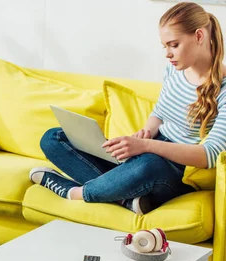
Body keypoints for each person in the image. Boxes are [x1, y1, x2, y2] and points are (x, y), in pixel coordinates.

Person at [30, 2, 226, 215]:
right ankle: (125, 198)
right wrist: (148, 131)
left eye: (174, 45)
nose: (168, 54)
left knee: (148, 165)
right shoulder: (174, 70)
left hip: (172, 170)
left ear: (199, 36)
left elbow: (208, 156)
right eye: (165, 46)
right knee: (54, 137)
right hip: (146, 153)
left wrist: (146, 145)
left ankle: (74, 192)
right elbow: (159, 113)